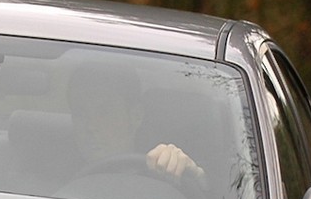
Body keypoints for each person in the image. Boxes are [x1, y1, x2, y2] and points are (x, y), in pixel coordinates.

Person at [66, 61, 206, 188]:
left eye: (105, 112)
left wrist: (196, 176)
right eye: (80, 113)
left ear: (136, 116)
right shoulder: (50, 178)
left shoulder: (165, 173)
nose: (91, 126)